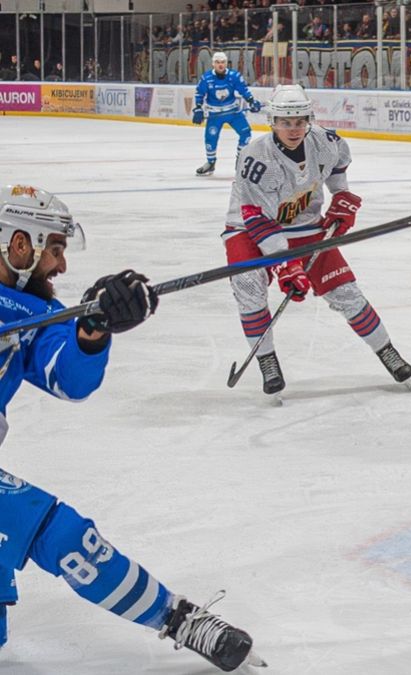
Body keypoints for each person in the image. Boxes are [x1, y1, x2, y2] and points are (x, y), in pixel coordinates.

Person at [0, 185, 262, 672]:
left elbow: (69, 380)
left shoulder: (35, 317)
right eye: (54, 249)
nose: (61, 266)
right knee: (62, 536)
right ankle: (179, 620)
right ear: (21, 245)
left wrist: (92, 331)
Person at [223, 84, 411, 396]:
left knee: (346, 292)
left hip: (304, 225)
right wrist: (286, 265)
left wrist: (341, 197)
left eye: (299, 120)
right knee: (250, 288)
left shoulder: (325, 142)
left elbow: (337, 166)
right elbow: (256, 218)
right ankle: (267, 360)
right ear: (272, 121)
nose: (294, 128)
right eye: (286, 122)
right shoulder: (256, 158)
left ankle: (387, 352)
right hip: (248, 228)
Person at [192, 52, 261, 177]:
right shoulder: (206, 78)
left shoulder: (234, 76)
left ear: (226, 63)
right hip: (215, 115)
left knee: (246, 133)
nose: (220, 65)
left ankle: (240, 161)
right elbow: (199, 93)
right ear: (213, 64)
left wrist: (251, 101)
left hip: (233, 112)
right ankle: (211, 163)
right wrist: (197, 108)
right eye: (217, 62)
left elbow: (243, 89)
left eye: (223, 62)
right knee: (210, 139)